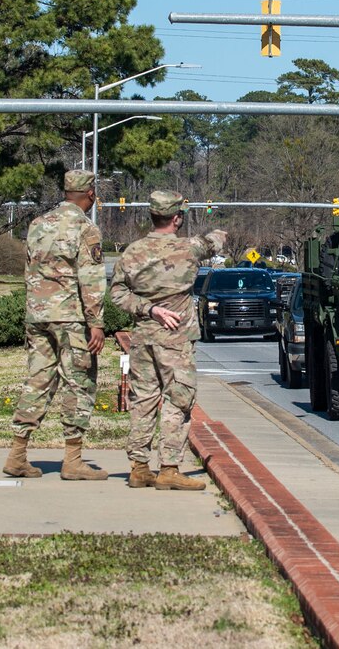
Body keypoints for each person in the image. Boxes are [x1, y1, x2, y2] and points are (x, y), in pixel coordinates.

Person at [109, 191, 227, 490]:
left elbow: (117, 294)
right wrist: (217, 229)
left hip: (143, 338)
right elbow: (216, 240)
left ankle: (138, 467)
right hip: (176, 340)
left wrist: (148, 308)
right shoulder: (189, 249)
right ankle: (170, 467)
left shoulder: (133, 252)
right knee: (178, 400)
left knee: (143, 401)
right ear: (177, 218)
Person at [3, 169, 107, 480]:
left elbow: (27, 269)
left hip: (38, 315)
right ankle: (73, 460)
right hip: (70, 316)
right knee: (79, 382)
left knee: (38, 380)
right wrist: (96, 322)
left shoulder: (37, 224)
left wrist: (33, 308)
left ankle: (17, 454)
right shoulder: (85, 228)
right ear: (90, 194)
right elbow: (91, 279)